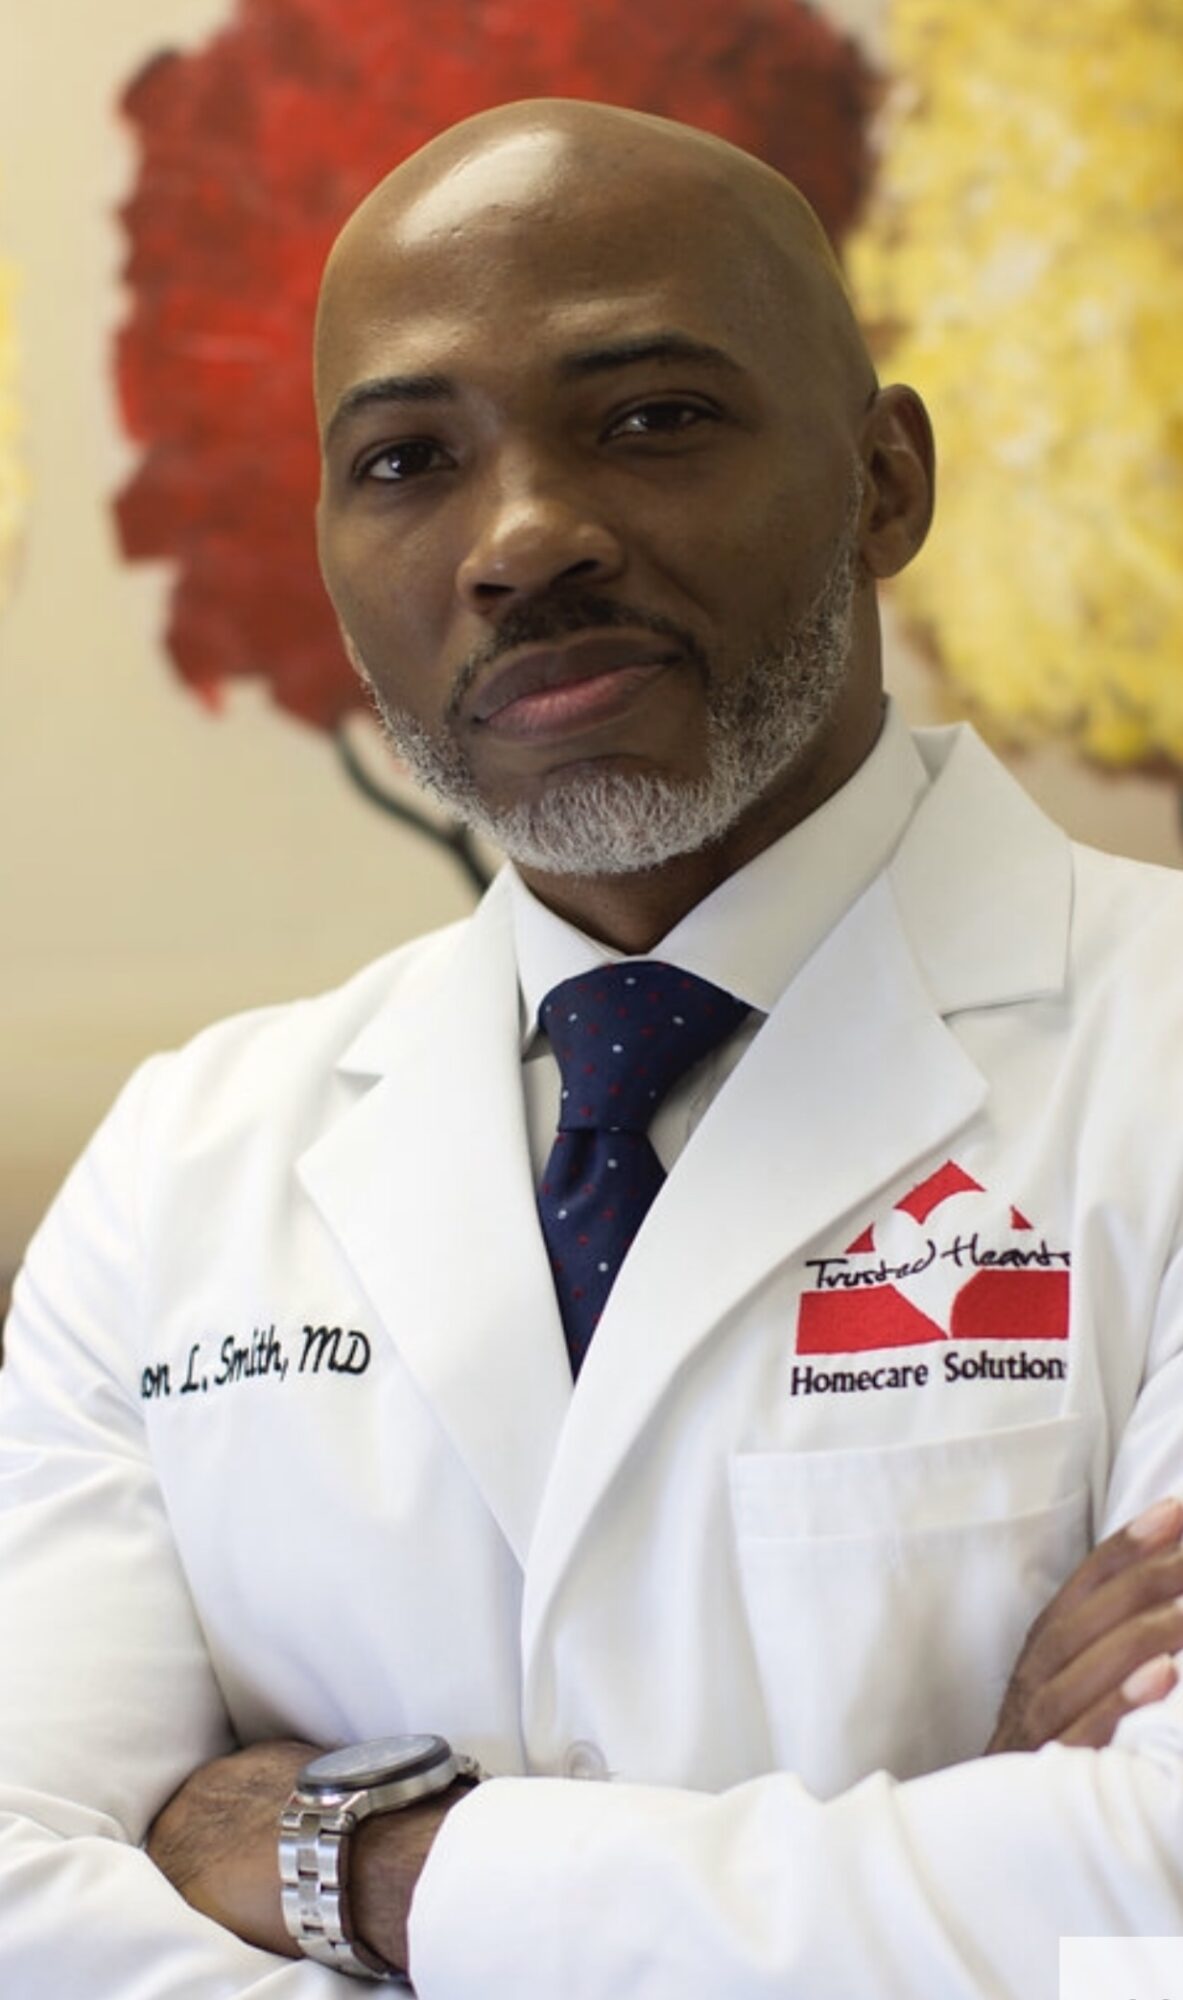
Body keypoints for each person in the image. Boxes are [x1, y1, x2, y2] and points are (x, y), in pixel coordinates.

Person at [3, 97, 1183, 2000]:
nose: (523, 538)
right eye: (406, 459)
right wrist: (954, 1880)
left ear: (886, 482)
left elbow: (1159, 1906)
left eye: (651, 418)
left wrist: (358, 1862)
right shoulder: (178, 1172)